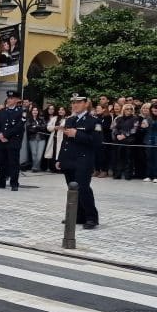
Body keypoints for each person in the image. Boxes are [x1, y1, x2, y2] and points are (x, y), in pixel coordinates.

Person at [58, 95, 101, 229]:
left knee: (83, 188)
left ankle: (91, 217)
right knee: (72, 189)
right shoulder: (70, 120)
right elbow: (65, 141)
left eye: (78, 102)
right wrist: (60, 159)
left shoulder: (94, 121)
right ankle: (78, 216)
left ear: (85, 104)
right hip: (69, 159)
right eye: (73, 103)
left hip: (83, 160)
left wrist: (77, 134)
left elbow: (97, 142)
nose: (74, 105)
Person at [0, 90, 25, 191]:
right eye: (8, 98)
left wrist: (5, 135)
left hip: (13, 141)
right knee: (1, 162)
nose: (9, 100)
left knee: (13, 163)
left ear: (17, 100)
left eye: (12, 98)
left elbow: (19, 126)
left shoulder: (21, 112)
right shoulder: (1, 112)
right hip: (1, 141)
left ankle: (14, 183)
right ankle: (1, 182)